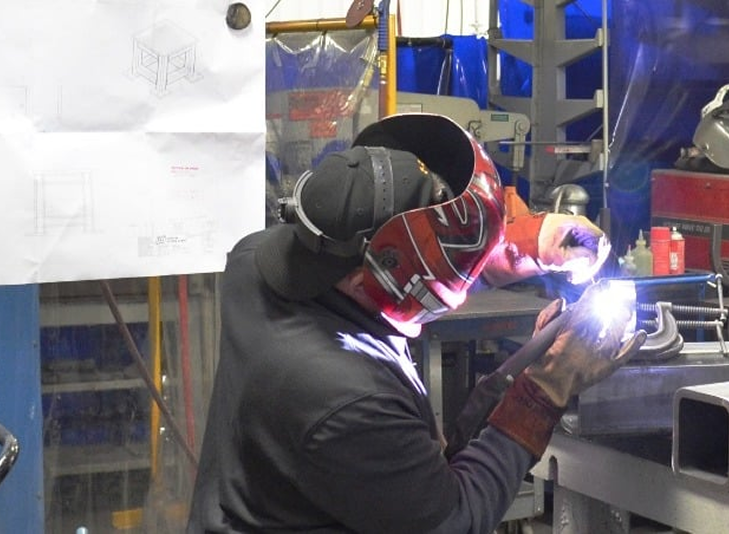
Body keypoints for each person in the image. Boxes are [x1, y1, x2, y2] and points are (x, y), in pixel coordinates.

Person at [188, 113, 646, 533]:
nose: (460, 286)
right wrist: (548, 386)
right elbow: (457, 520)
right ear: (372, 280)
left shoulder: (259, 261)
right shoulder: (346, 397)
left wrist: (528, 245)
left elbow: (402, 267)